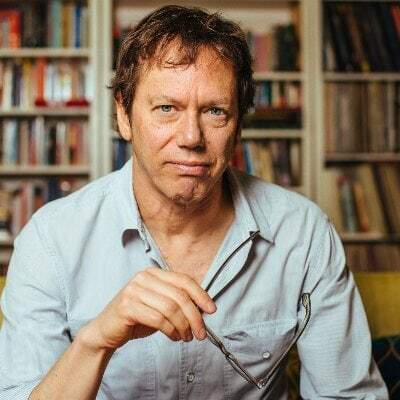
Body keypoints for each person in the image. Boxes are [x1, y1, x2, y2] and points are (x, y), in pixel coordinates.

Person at [0, 5, 388, 400]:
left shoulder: (303, 234)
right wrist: (95, 341)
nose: (191, 137)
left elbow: (348, 396)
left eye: (215, 111)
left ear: (238, 126)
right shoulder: (50, 240)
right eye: (167, 108)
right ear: (124, 115)